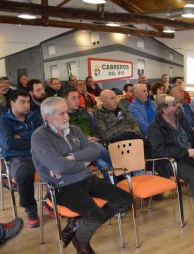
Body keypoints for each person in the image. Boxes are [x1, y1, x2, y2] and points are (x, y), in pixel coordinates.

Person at [31, 97, 132, 253]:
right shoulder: (40, 137)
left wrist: (72, 157)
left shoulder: (74, 129)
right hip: (63, 186)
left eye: (66, 112)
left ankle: (77, 224)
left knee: (125, 200)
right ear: (47, 117)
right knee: (95, 216)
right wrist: (83, 162)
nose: (67, 117)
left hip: (87, 178)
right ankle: (81, 241)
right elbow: (59, 166)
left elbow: (95, 150)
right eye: (61, 113)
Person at [147, 95, 194, 220]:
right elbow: (160, 151)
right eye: (173, 105)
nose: (178, 107)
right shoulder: (155, 127)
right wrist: (186, 152)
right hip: (171, 161)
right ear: (164, 110)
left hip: (190, 154)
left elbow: (193, 136)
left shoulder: (180, 118)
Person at [0, 90, 43, 227]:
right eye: (22, 102)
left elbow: (44, 136)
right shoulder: (4, 121)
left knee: (61, 165)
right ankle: (31, 210)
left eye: (28, 102)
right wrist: (33, 136)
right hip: (17, 158)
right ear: (12, 103)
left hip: (40, 154)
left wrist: (21, 136)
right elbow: (9, 143)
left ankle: (50, 200)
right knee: (24, 174)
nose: (27, 105)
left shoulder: (35, 117)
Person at [62, 88, 113, 180]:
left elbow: (94, 129)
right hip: (79, 149)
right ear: (64, 101)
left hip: (93, 144)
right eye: (73, 98)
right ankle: (118, 164)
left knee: (104, 164)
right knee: (96, 147)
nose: (77, 101)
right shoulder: (63, 117)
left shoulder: (84, 111)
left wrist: (95, 137)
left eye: (77, 97)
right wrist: (86, 140)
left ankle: (115, 185)